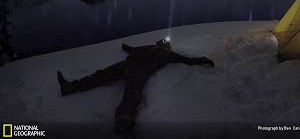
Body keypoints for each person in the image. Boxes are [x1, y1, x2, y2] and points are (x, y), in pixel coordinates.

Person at [56, 39, 215, 134]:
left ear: (167, 46)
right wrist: (126, 47)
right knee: (100, 75)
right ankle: (70, 87)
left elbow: (186, 60)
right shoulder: (149, 47)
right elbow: (133, 49)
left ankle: (124, 120)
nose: (161, 43)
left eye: (163, 43)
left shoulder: (169, 55)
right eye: (160, 42)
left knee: (132, 92)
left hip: (140, 71)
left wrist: (202, 60)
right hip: (126, 64)